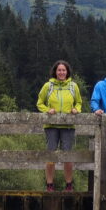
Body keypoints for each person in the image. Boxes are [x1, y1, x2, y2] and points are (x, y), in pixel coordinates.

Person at [36, 60, 82, 191]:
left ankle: (69, 185)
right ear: (55, 72)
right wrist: (47, 110)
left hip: (68, 126)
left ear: (67, 72)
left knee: (68, 156)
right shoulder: (48, 86)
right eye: (59, 70)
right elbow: (39, 103)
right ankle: (49, 184)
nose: (61, 72)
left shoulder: (73, 86)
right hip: (51, 126)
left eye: (63, 70)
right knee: (51, 155)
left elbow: (79, 102)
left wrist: (76, 110)